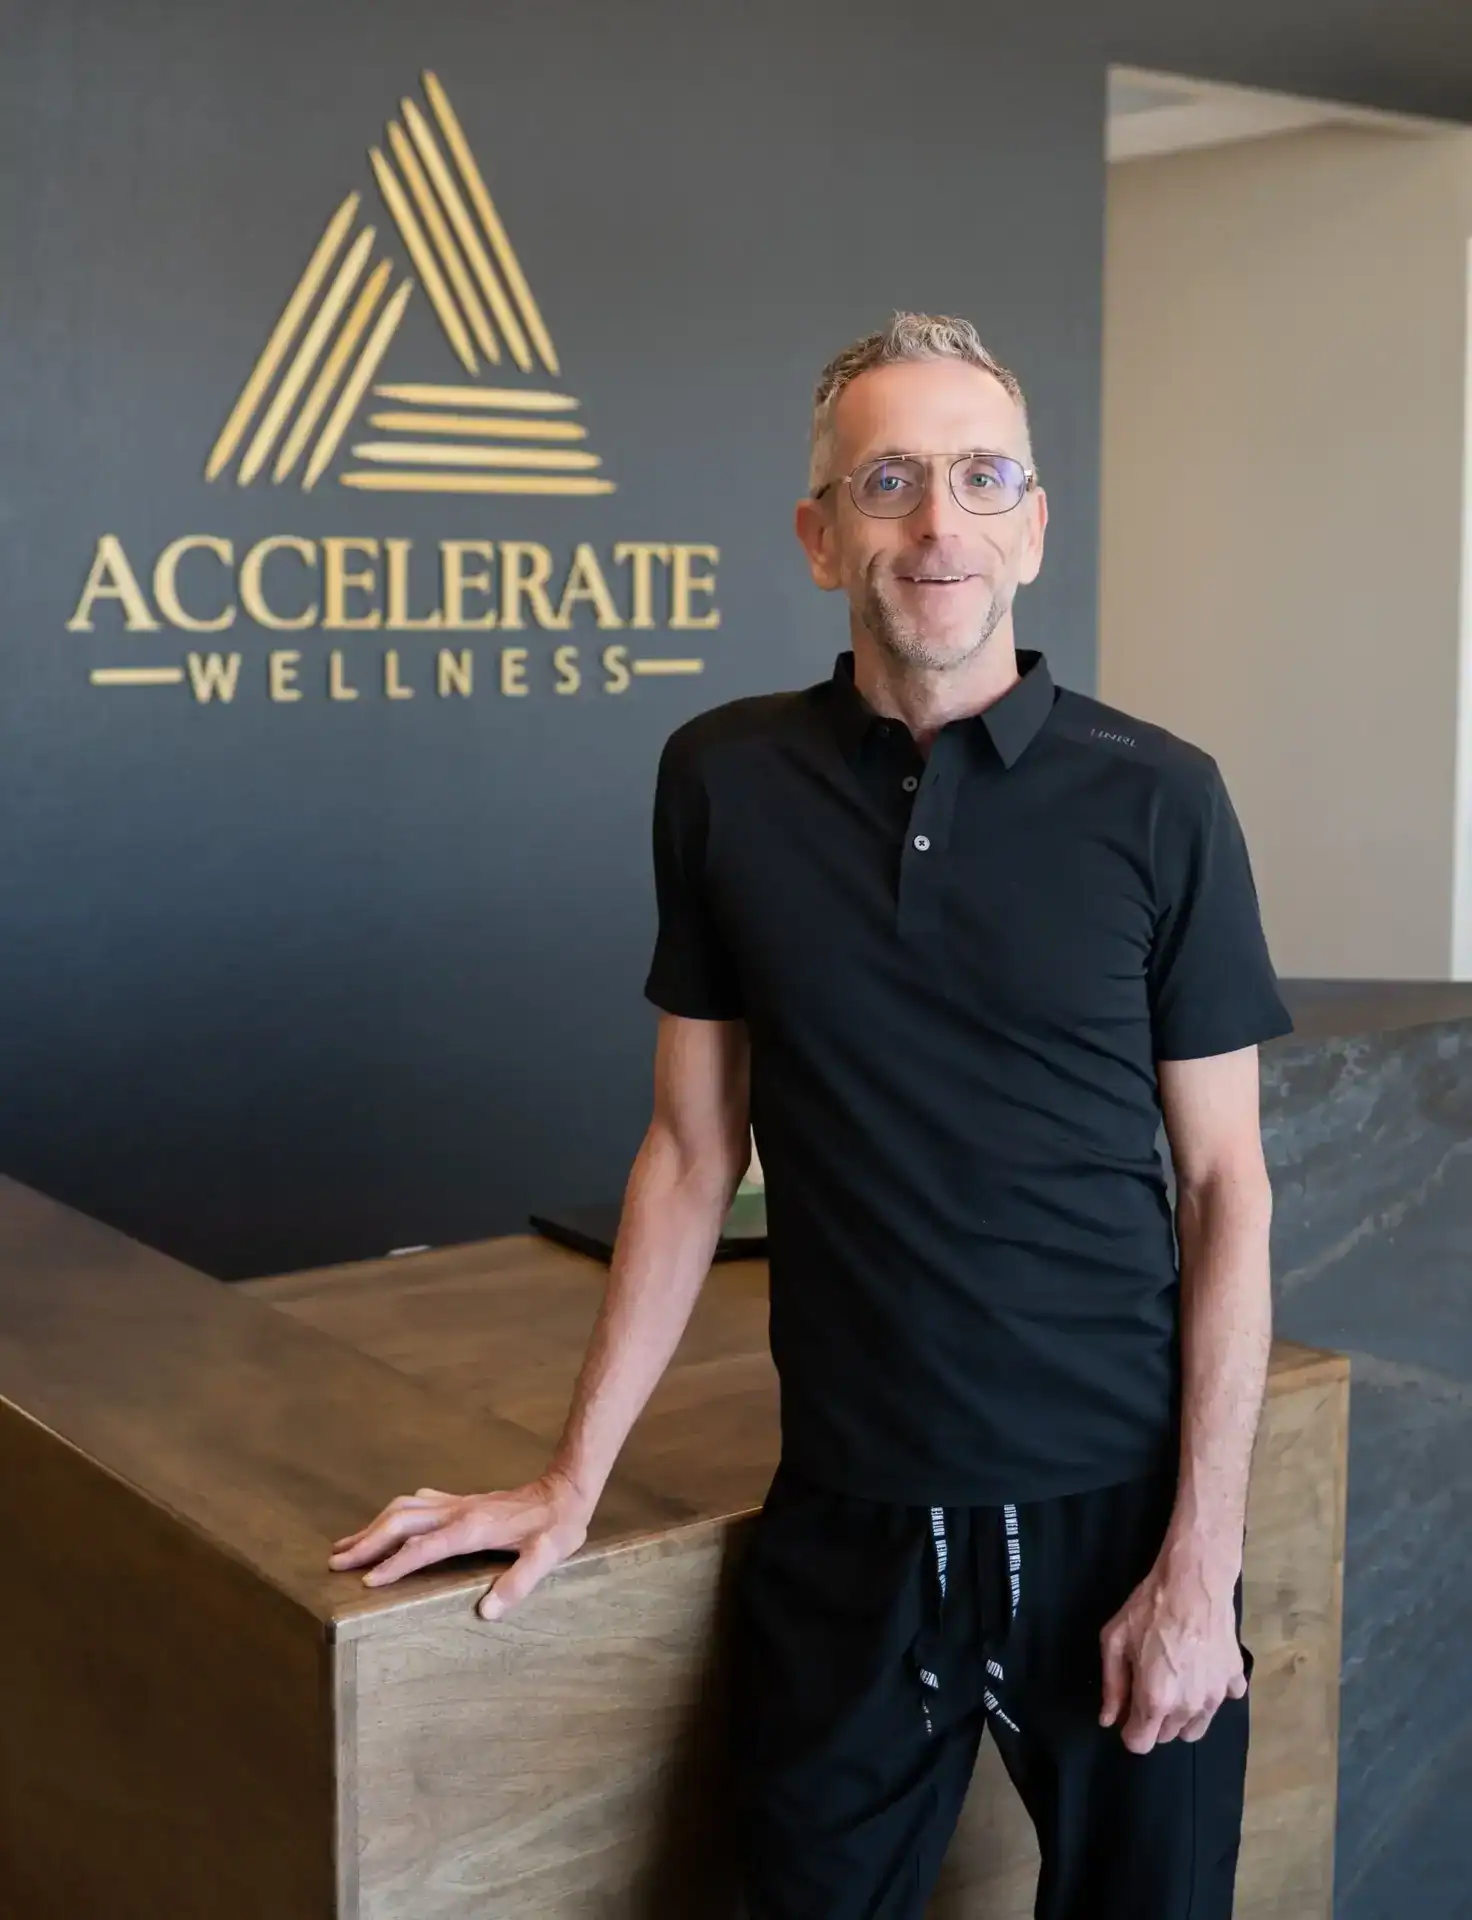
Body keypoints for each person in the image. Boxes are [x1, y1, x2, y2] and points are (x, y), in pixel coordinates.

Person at [329, 312, 1294, 1918]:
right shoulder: (722, 781)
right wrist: (572, 1476)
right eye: (890, 481)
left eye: (983, 478)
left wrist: (1201, 1565)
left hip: (1120, 1522)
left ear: (1034, 527)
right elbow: (693, 1152)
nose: (938, 525)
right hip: (847, 1518)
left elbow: (1227, 1194)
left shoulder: (1162, 798)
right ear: (819, 531)